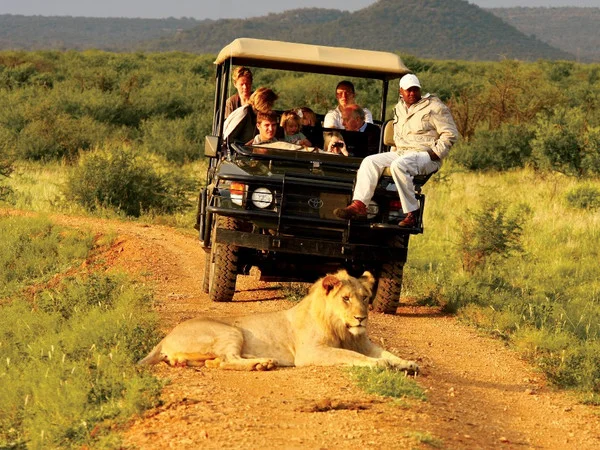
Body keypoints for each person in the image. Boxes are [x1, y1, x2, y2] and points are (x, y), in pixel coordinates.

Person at [334, 74, 459, 227]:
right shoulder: (399, 108)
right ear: (401, 91)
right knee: (369, 161)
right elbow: (398, 136)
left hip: (425, 154)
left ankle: (412, 213)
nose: (412, 93)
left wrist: (436, 153)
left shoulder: (435, 107)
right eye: (408, 90)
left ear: (419, 89)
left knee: (399, 165)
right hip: (403, 152)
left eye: (415, 89)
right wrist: (392, 152)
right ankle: (359, 204)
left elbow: (450, 133)